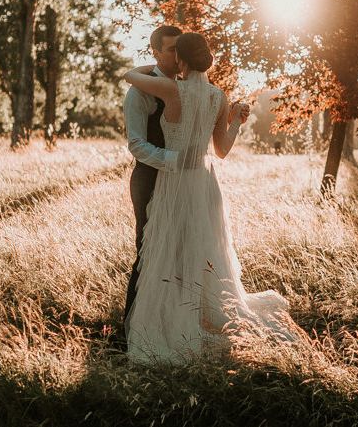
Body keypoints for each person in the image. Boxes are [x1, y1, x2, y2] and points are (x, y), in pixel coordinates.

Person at [122, 32, 299, 364]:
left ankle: (171, 321)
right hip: (205, 182)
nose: (173, 60)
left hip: (176, 182)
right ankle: (202, 313)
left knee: (164, 251)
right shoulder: (219, 96)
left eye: (178, 55)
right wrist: (235, 121)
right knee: (204, 249)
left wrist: (148, 65)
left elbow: (130, 75)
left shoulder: (171, 89)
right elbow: (222, 150)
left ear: (183, 61)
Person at [121, 25, 182, 335]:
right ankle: (131, 329)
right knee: (147, 251)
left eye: (180, 48)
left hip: (184, 183)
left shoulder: (188, 86)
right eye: (171, 49)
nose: (177, 55)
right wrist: (174, 162)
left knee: (180, 251)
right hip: (149, 178)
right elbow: (136, 144)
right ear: (156, 52)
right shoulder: (140, 90)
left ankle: (170, 322)